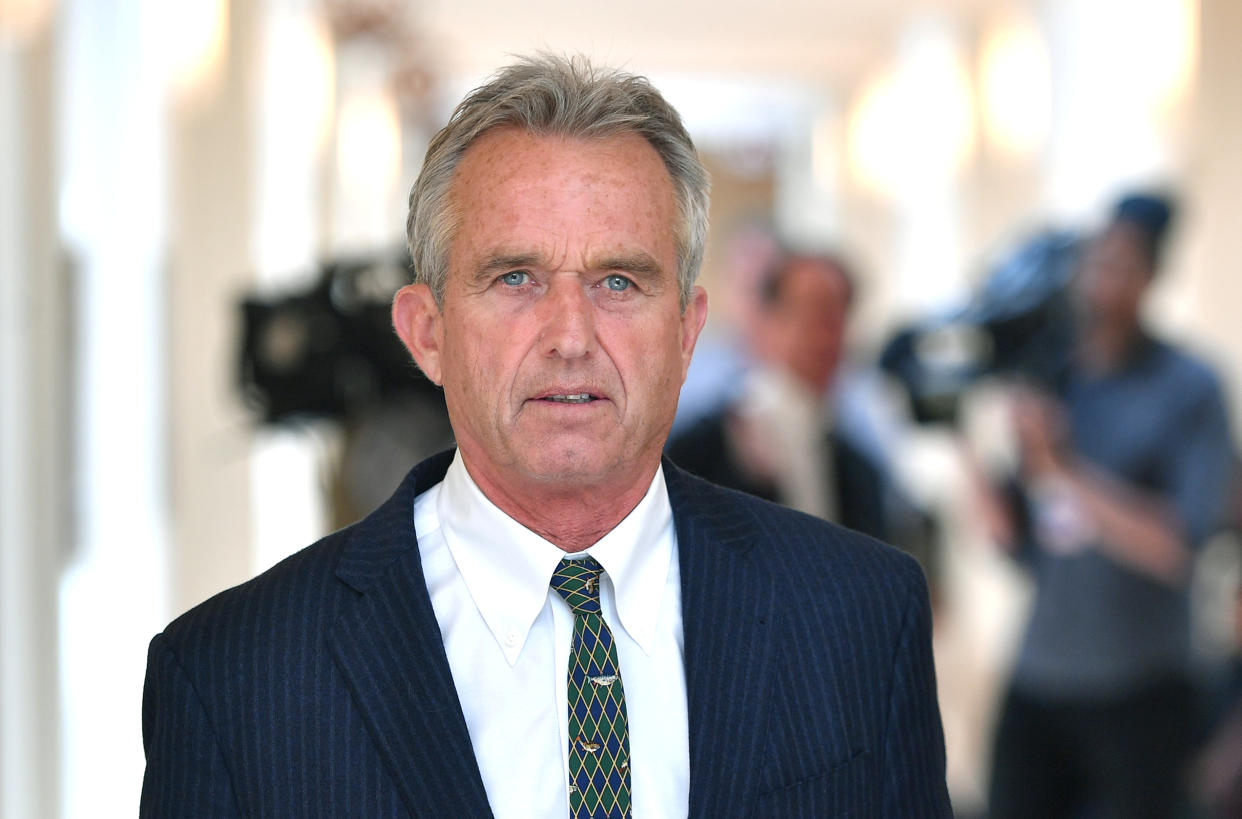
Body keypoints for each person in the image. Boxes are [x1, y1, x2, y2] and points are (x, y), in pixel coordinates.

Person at [140, 54, 950, 818]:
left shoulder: (861, 618)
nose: (570, 335)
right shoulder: (232, 675)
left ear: (686, 330)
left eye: (619, 280)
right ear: (426, 331)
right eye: (515, 277)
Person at [984, 193, 1238, 818]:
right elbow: (1024, 545)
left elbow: (1181, 544)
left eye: (1120, 264)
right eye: (1092, 262)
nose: (1100, 279)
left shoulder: (1190, 387)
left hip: (1141, 685)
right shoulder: (1053, 377)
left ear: (1150, 276)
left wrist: (1062, 470)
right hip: (1041, 674)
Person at [667, 253, 935, 566]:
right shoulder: (701, 448)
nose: (827, 335)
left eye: (839, 316)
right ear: (766, 321)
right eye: (812, 313)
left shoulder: (857, 466)